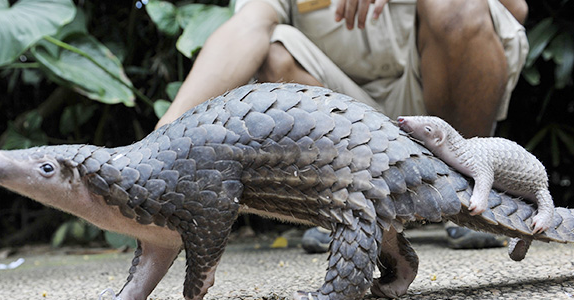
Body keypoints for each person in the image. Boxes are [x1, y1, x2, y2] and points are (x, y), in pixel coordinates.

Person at [156, 0, 529, 251]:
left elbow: (517, 10)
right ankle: (351, 209)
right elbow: (246, 28)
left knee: (458, 5)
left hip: (433, 107)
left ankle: (470, 196)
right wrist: (163, 141)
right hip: (344, 120)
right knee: (272, 50)